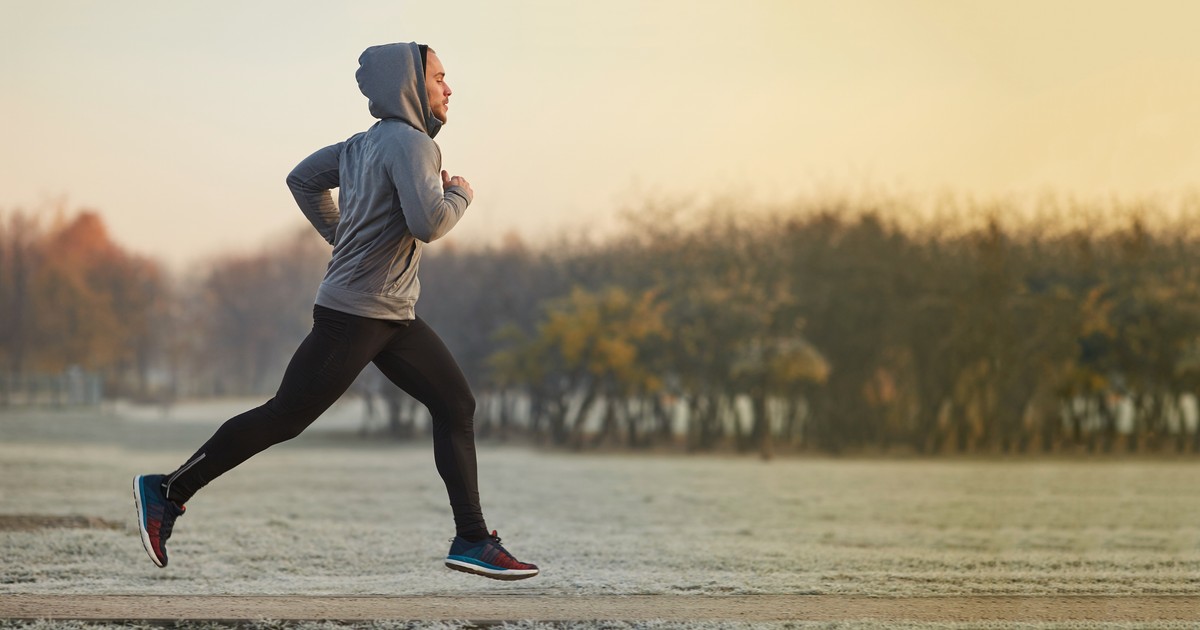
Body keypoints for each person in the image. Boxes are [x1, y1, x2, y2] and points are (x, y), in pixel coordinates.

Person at [133, 42, 539, 581]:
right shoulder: (414, 146)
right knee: (285, 415)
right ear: (411, 86)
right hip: (357, 314)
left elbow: (302, 178)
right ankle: (167, 491)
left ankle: (471, 538)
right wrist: (460, 195)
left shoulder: (362, 145)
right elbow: (429, 223)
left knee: (455, 404)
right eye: (439, 77)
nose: (448, 88)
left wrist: (339, 233)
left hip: (392, 314)